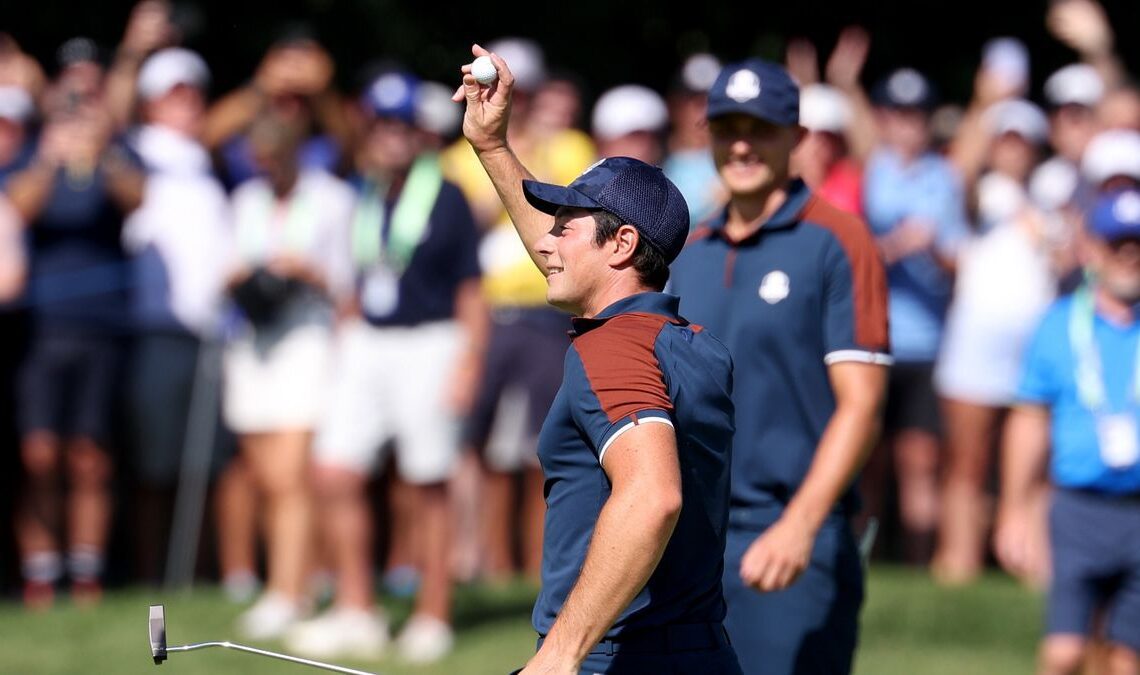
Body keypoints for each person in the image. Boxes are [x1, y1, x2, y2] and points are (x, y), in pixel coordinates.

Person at [453, 45, 741, 674]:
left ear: (623, 244)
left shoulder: (613, 348)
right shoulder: (689, 342)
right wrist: (493, 146)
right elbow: (570, 257)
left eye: (565, 225)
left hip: (619, 660)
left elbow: (652, 495)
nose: (545, 242)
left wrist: (560, 654)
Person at [668, 57, 890, 675]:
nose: (741, 145)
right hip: (691, 540)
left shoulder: (839, 241)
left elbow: (863, 405)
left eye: (760, 128)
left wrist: (800, 525)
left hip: (794, 531)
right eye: (726, 127)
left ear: (797, 137)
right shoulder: (690, 251)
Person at [284, 70, 486, 664]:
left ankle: (433, 614)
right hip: (369, 342)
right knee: (334, 472)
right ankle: (356, 609)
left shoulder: (446, 194)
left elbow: (472, 290)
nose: (391, 136)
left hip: (432, 343)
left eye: (402, 125)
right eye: (381, 124)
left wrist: (469, 362)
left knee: (427, 483)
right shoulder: (364, 190)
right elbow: (361, 276)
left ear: (419, 133)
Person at [442, 37, 595, 584]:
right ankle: (483, 560)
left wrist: (517, 154)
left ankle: (538, 564)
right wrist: (496, 155)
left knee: (543, 447)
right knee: (469, 446)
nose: (516, 102)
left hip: (544, 312)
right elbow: (461, 230)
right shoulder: (457, 156)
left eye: (522, 93)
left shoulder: (571, 147)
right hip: (486, 311)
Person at [4, 38, 146, 608]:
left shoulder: (118, 153)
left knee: (90, 452)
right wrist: (49, 157)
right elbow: (15, 208)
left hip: (101, 327)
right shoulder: (31, 156)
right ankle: (41, 570)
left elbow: (138, 199)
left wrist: (103, 148)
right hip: (39, 328)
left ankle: (86, 571)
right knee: (38, 453)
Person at [994, 187, 1140, 675]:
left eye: (1138, 246)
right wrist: (1015, 508)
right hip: (1077, 509)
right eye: (1118, 245)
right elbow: (1030, 420)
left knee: (1125, 660)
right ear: (1092, 248)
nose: (1129, 258)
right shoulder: (1058, 325)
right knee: (1065, 652)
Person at [221, 111, 354, 639]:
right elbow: (226, 263)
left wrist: (307, 270)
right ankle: (297, 578)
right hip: (253, 339)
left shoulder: (332, 199)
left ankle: (286, 591)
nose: (266, 169)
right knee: (263, 475)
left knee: (291, 476)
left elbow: (346, 281)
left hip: (307, 340)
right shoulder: (245, 200)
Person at [861, 66, 970, 565]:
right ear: (883, 118)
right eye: (899, 114)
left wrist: (930, 249)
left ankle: (918, 564)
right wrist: (894, 244)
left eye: (918, 115)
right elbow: (854, 248)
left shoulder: (945, 178)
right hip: (872, 336)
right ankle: (863, 558)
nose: (909, 125)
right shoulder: (869, 170)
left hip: (927, 340)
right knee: (866, 459)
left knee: (920, 458)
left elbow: (957, 261)